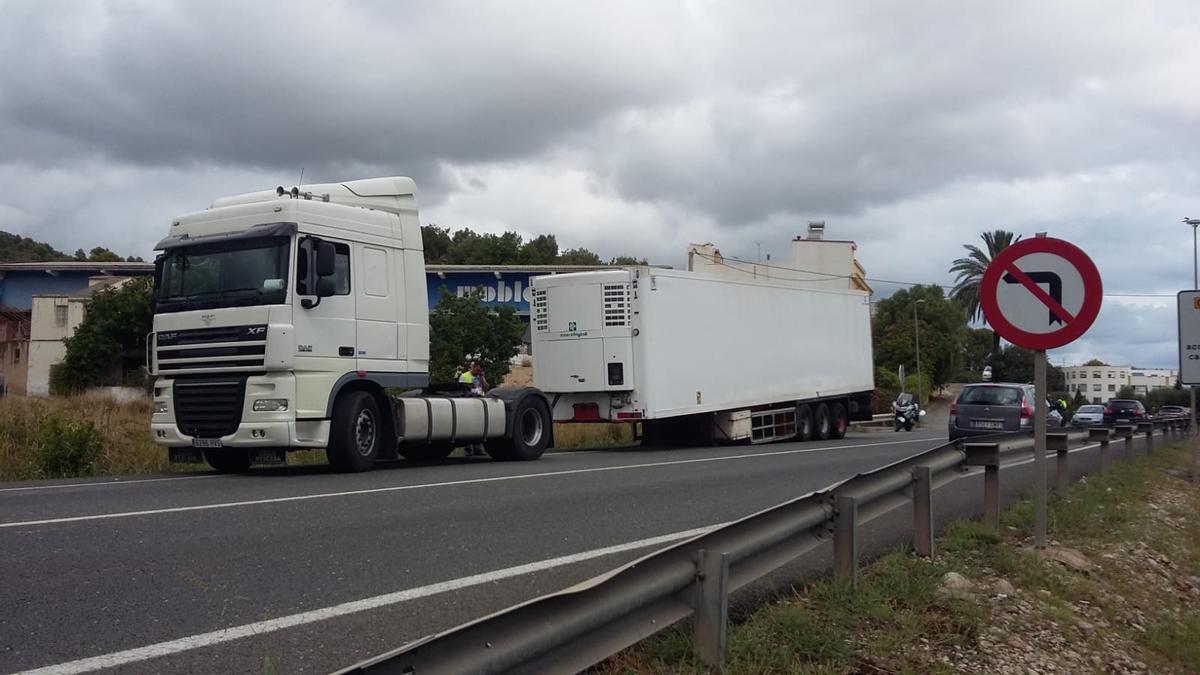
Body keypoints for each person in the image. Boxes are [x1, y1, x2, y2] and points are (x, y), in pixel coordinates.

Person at [459, 362, 489, 455]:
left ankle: (478, 448)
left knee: (479, 426)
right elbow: (461, 390)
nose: (478, 371)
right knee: (468, 426)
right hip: (468, 402)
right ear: (472, 368)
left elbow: (486, 388)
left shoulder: (480, 377)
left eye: (479, 369)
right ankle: (468, 449)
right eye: (477, 369)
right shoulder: (464, 376)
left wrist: (482, 377)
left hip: (479, 401)